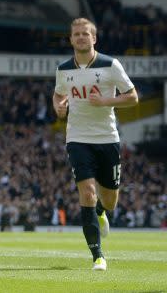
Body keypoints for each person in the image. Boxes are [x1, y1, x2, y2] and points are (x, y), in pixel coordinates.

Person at [53, 17, 138, 271]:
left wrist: (105, 102)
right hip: (78, 138)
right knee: (87, 193)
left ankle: (102, 211)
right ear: (71, 39)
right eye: (76, 34)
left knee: (110, 199)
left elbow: (132, 97)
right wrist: (58, 107)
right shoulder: (64, 69)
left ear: (94, 38)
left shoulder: (111, 65)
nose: (80, 37)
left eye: (85, 34)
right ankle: (98, 255)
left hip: (107, 138)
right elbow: (59, 93)